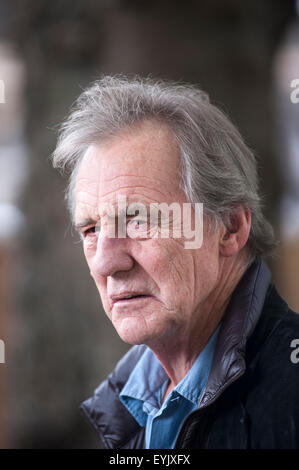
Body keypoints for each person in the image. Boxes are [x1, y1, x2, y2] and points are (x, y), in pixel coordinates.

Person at [52, 75, 299, 449]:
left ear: (229, 228)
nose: (105, 263)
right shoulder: (131, 404)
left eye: (138, 219)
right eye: (90, 230)